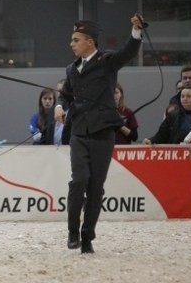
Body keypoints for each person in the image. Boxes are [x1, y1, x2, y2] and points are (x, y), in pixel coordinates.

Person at [54, 15, 144, 254]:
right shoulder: (71, 69)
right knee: (79, 180)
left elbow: (128, 52)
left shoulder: (107, 61)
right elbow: (65, 95)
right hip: (79, 132)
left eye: (76, 40)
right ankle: (73, 231)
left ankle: (87, 236)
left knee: (96, 188)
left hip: (103, 132)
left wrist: (135, 30)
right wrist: (59, 106)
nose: (71, 44)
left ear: (90, 42)